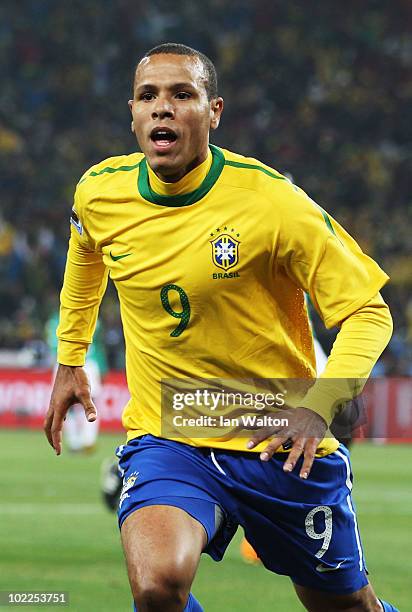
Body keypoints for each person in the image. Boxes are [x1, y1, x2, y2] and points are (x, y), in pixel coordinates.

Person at [45, 43, 397, 612]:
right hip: (171, 432)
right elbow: (85, 253)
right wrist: (69, 359)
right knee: (158, 586)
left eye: (182, 94)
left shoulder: (273, 203)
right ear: (131, 113)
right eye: (148, 96)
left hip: (278, 438)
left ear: (214, 112)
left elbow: (368, 310)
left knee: (347, 608)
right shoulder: (100, 192)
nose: (163, 108)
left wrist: (323, 403)